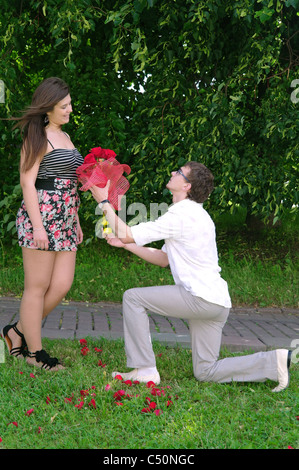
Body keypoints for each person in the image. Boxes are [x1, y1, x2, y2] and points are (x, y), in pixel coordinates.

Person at [90, 162, 292, 392]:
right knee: (206, 371)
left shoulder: (181, 215)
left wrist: (104, 202)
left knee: (133, 298)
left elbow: (126, 233)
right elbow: (163, 258)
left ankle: (144, 369)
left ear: (186, 186)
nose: (172, 172)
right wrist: (126, 246)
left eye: (178, 172)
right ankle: (274, 361)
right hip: (216, 303)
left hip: (198, 298)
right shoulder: (197, 214)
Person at [1, 77, 84, 370]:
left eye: (70, 104)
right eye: (64, 105)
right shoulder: (37, 137)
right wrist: (37, 226)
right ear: (48, 108)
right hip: (42, 217)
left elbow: (72, 182)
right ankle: (35, 354)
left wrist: (75, 220)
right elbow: (27, 183)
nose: (70, 110)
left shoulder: (66, 137)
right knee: (37, 287)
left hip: (65, 220)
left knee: (61, 285)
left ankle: (16, 331)